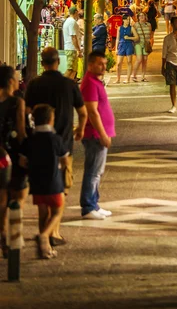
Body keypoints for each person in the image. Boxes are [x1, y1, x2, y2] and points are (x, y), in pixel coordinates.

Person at [25, 47, 87, 243]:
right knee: (60, 191)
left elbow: (26, 112)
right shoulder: (68, 84)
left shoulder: (34, 85)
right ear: (57, 63)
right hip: (64, 146)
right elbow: (83, 112)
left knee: (43, 193)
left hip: (38, 146)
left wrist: (28, 135)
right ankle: (53, 233)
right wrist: (80, 130)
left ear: (42, 63)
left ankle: (45, 231)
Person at [20, 104, 68, 259]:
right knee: (57, 211)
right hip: (53, 181)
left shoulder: (30, 140)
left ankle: (45, 248)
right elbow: (65, 159)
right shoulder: (55, 139)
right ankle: (44, 235)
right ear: (50, 120)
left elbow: (22, 162)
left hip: (36, 182)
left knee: (42, 213)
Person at [80, 51, 116, 220]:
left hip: (99, 133)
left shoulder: (96, 82)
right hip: (94, 135)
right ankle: (88, 206)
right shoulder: (89, 84)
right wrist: (102, 133)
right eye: (100, 64)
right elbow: (92, 111)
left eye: (104, 63)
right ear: (90, 65)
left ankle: (94, 203)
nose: (103, 67)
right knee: (93, 171)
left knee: (97, 171)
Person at [0, 65, 26, 258]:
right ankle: (10, 235)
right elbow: (21, 132)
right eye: (16, 78)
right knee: (15, 196)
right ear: (10, 82)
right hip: (10, 154)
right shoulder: (17, 102)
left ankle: (2, 231)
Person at [132, 12, 152, 82]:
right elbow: (133, 34)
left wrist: (149, 42)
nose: (141, 17)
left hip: (146, 44)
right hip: (138, 44)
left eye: (143, 15)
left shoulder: (148, 25)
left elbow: (150, 34)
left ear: (145, 17)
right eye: (140, 16)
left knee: (145, 59)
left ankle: (143, 76)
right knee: (139, 59)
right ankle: (134, 75)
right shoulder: (136, 25)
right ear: (138, 17)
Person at [114, 16, 135, 84]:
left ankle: (128, 79)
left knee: (129, 62)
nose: (128, 21)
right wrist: (116, 48)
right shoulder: (119, 28)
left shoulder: (131, 28)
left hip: (129, 44)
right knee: (119, 63)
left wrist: (129, 38)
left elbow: (136, 37)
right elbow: (117, 38)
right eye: (126, 20)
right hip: (121, 45)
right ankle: (118, 79)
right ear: (123, 20)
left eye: (129, 20)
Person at [63, 7, 82, 79]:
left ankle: (69, 86)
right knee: (70, 69)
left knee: (74, 70)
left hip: (72, 48)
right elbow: (73, 37)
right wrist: (78, 50)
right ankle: (60, 85)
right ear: (75, 12)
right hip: (71, 48)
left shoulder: (70, 21)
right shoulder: (71, 22)